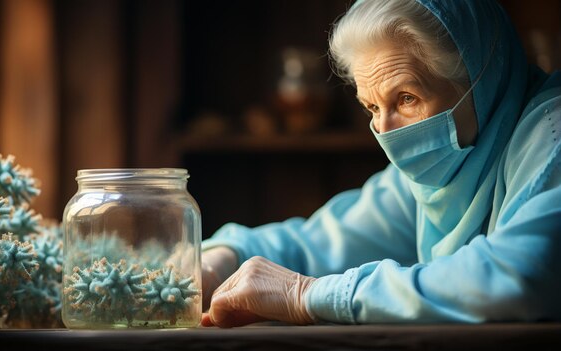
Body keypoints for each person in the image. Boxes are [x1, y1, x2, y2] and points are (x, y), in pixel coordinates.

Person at [200, 0, 561, 327]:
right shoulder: (438, 174)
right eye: (372, 107)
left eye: (406, 98)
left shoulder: (551, 135)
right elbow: (320, 242)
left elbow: (515, 276)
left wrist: (306, 295)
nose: (385, 132)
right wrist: (222, 261)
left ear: (483, 80)